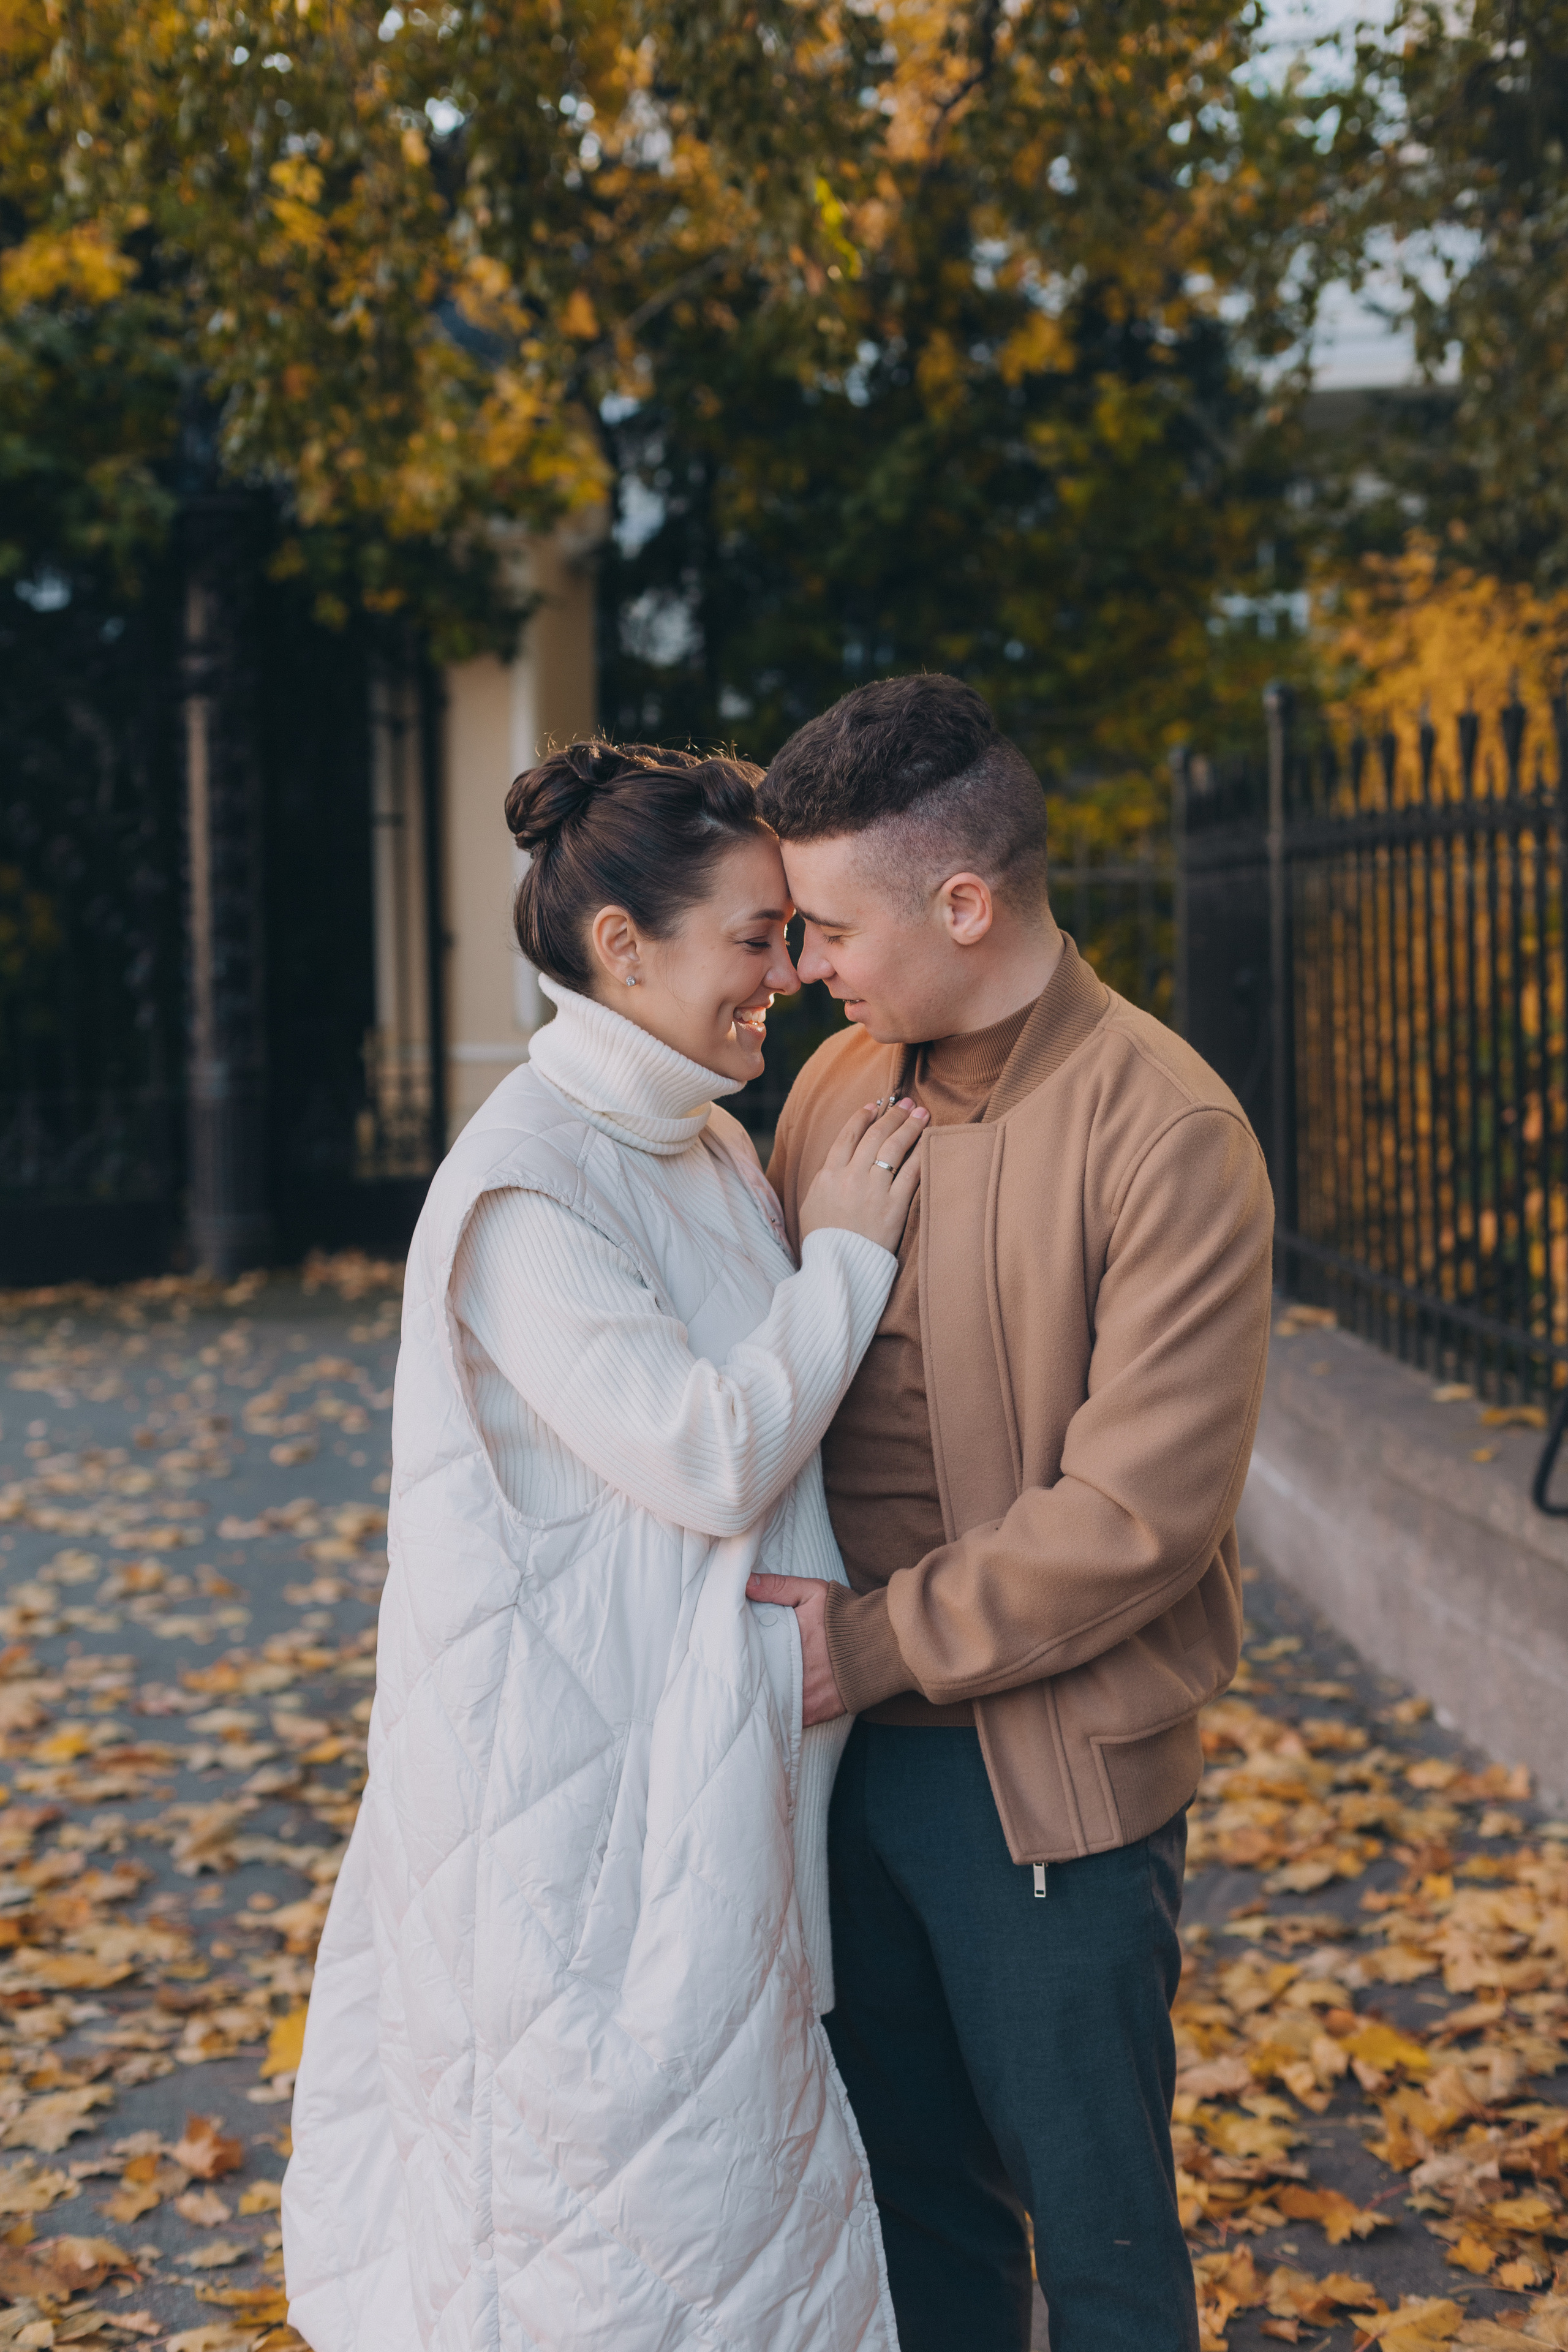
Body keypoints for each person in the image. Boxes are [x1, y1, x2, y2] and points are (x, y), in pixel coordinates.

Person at [282, 741, 925, 2352]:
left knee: (718, 2243)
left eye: (789, 935)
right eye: (753, 937)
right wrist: (847, 1255)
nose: (784, 972)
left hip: (702, 1795)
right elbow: (710, 1452)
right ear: (624, 947)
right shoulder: (529, 1189)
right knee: (601, 2251)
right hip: (573, 1829)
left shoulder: (698, 1138)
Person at [748, 674, 1275, 2352]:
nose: (807, 964)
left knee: (1102, 2238)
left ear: (965, 904)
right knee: (908, 2217)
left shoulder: (1167, 1128)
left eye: (830, 926)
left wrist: (869, 1644)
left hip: (1038, 1781)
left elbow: (1138, 1518)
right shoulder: (839, 1087)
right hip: (832, 1761)